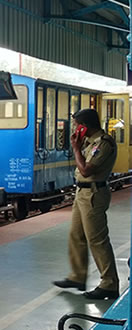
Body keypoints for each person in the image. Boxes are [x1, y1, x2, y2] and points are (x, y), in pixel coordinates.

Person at [53, 108, 119, 300]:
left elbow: (86, 170)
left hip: (94, 194)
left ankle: (109, 283)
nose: (74, 130)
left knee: (97, 240)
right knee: (76, 235)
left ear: (84, 127)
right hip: (82, 192)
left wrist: (75, 148)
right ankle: (77, 276)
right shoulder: (91, 143)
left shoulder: (104, 144)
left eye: (76, 126)